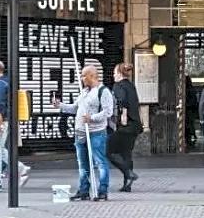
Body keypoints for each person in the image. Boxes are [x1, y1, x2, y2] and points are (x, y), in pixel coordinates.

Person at [53, 65, 115, 202]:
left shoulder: (103, 92)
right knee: (82, 163)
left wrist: (91, 118)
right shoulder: (84, 92)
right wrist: (60, 106)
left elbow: (108, 112)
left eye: (83, 75)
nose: (81, 78)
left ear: (92, 76)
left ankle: (102, 191)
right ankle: (84, 190)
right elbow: (76, 108)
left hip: (96, 132)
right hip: (80, 132)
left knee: (100, 162)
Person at [0, 60, 30, 187]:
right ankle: (20, 168)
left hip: (2, 120)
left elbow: (0, 105)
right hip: (7, 120)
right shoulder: (6, 82)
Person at [109, 63, 142, 192]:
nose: (113, 76)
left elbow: (122, 101)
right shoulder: (131, 85)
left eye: (114, 73)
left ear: (119, 74)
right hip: (135, 125)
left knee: (108, 150)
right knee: (126, 153)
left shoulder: (118, 86)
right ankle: (127, 183)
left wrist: (123, 115)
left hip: (125, 125)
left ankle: (128, 173)